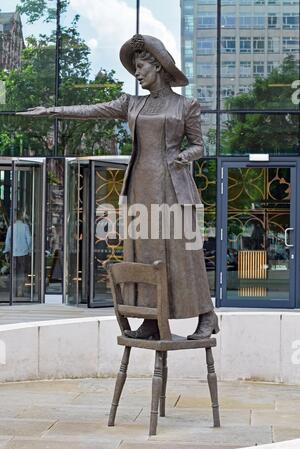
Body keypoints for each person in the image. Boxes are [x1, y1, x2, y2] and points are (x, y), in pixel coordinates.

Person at [18, 34, 219, 340]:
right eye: (135, 68)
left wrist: (183, 156)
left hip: (176, 188)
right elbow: (92, 109)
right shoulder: (131, 103)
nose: (136, 74)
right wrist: (53, 111)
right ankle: (151, 319)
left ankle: (207, 316)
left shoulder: (185, 105)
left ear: (159, 68)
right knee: (143, 254)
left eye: (140, 67)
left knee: (184, 252)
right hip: (141, 184)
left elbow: (200, 146)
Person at [3, 210, 32, 297]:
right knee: (23, 272)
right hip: (24, 253)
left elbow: (7, 241)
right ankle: (20, 290)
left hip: (14, 253)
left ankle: (14, 291)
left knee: (14, 272)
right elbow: (29, 239)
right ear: (21, 217)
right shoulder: (25, 226)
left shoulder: (10, 227)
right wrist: (29, 249)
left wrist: (6, 251)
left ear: (15, 218)